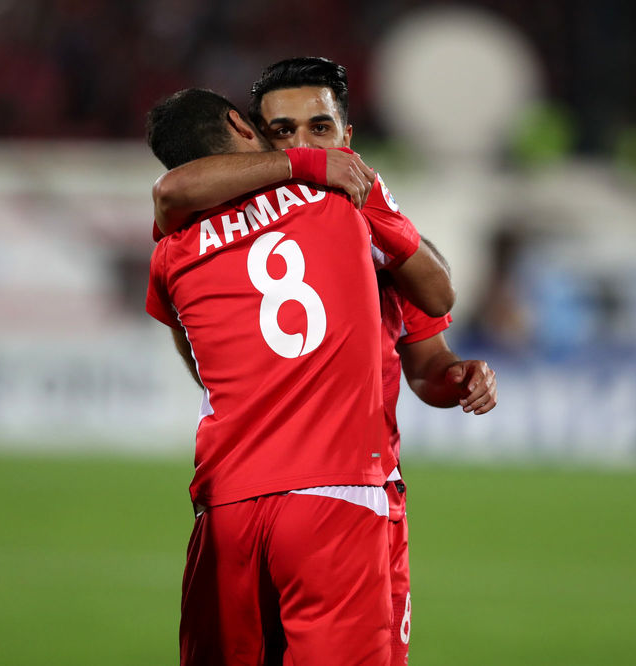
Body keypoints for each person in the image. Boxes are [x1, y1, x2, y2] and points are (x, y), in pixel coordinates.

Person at [151, 57, 498, 665]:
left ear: (347, 135)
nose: (304, 144)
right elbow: (442, 293)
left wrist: (455, 379)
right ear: (252, 132)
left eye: (319, 128)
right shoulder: (341, 205)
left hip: (230, 496)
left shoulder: (176, 245)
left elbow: (427, 362)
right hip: (342, 488)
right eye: (283, 132)